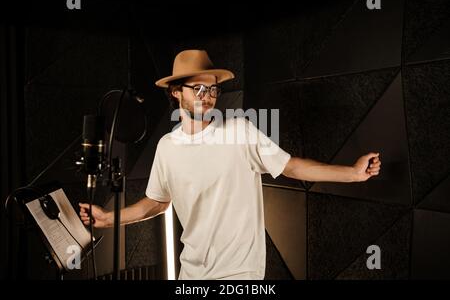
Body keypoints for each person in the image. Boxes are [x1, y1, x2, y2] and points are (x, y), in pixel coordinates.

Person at [79, 50, 382, 280]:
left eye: (211, 89)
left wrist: (353, 173)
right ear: (175, 92)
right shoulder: (167, 148)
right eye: (197, 88)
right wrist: (107, 219)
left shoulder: (240, 131)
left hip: (240, 276)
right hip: (191, 275)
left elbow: (292, 167)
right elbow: (156, 204)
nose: (207, 96)